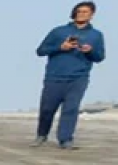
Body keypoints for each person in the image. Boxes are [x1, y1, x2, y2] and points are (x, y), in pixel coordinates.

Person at [31, 2, 106, 150]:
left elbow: (99, 57)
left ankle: (65, 140)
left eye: (85, 12)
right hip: (54, 77)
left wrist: (89, 51)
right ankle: (41, 135)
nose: (81, 14)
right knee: (47, 109)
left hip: (79, 78)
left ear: (92, 15)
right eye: (79, 11)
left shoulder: (96, 35)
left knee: (70, 109)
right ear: (74, 13)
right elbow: (40, 51)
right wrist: (60, 47)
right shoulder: (58, 31)